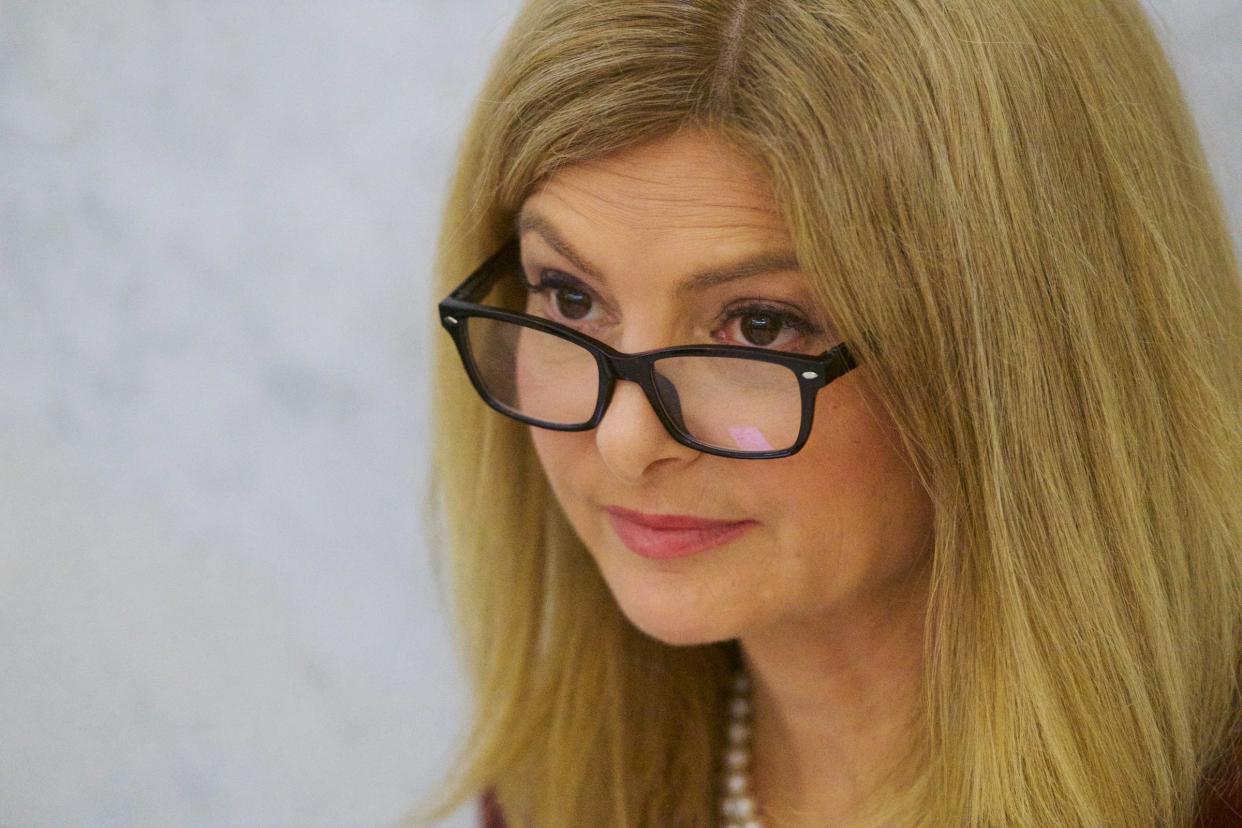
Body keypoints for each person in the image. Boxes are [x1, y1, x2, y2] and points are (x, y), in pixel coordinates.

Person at [410, 1, 1242, 825]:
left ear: (1016, 361)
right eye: (570, 296)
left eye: (759, 327)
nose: (627, 440)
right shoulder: (565, 794)